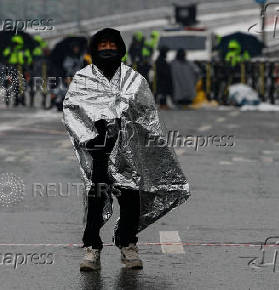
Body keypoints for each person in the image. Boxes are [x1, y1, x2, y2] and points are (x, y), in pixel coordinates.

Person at [63, 28, 190, 272]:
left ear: (120, 48)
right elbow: (72, 110)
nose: (107, 48)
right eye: (103, 44)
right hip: (99, 153)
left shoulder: (134, 79)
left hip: (129, 155)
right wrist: (92, 137)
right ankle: (92, 248)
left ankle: (128, 244)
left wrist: (123, 120)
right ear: (95, 49)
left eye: (112, 44)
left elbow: (146, 115)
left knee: (131, 201)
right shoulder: (83, 78)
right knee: (96, 201)